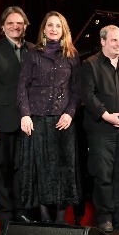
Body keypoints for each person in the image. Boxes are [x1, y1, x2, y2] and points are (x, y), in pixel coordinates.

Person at [17, 11, 82, 224]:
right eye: (50, 25)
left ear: (64, 30)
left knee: (64, 169)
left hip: (62, 121)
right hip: (37, 119)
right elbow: (22, 86)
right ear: (44, 29)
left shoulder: (72, 55)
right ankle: (45, 217)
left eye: (58, 25)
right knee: (41, 169)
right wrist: (25, 114)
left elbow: (77, 90)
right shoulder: (32, 54)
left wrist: (70, 113)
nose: (54, 29)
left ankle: (61, 218)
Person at [0, 6, 36, 231]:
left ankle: (20, 210)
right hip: (1, 122)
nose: (15, 26)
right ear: (2, 26)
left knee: (22, 168)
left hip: (27, 121)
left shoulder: (33, 49)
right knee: (1, 168)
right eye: (10, 23)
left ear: (25, 26)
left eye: (19, 23)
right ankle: (4, 212)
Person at [81, 25, 119, 232]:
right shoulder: (90, 64)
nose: (118, 44)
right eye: (114, 40)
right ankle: (105, 217)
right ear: (103, 41)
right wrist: (106, 115)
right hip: (101, 128)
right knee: (103, 174)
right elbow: (88, 95)